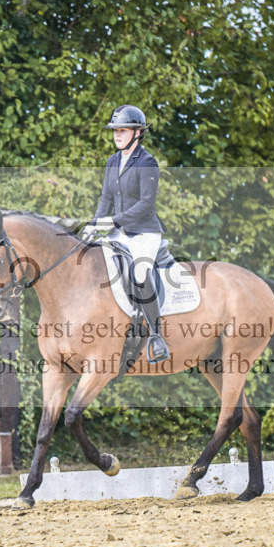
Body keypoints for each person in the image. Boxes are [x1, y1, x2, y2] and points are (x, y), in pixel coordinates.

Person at [83, 104, 171, 364]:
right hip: (119, 231)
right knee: (94, 263)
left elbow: (145, 204)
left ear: (137, 132)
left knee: (139, 272)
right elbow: (105, 197)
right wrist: (96, 224)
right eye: (115, 131)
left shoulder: (147, 162)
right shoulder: (112, 160)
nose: (116, 135)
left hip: (144, 232)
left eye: (122, 130)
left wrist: (112, 221)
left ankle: (156, 337)